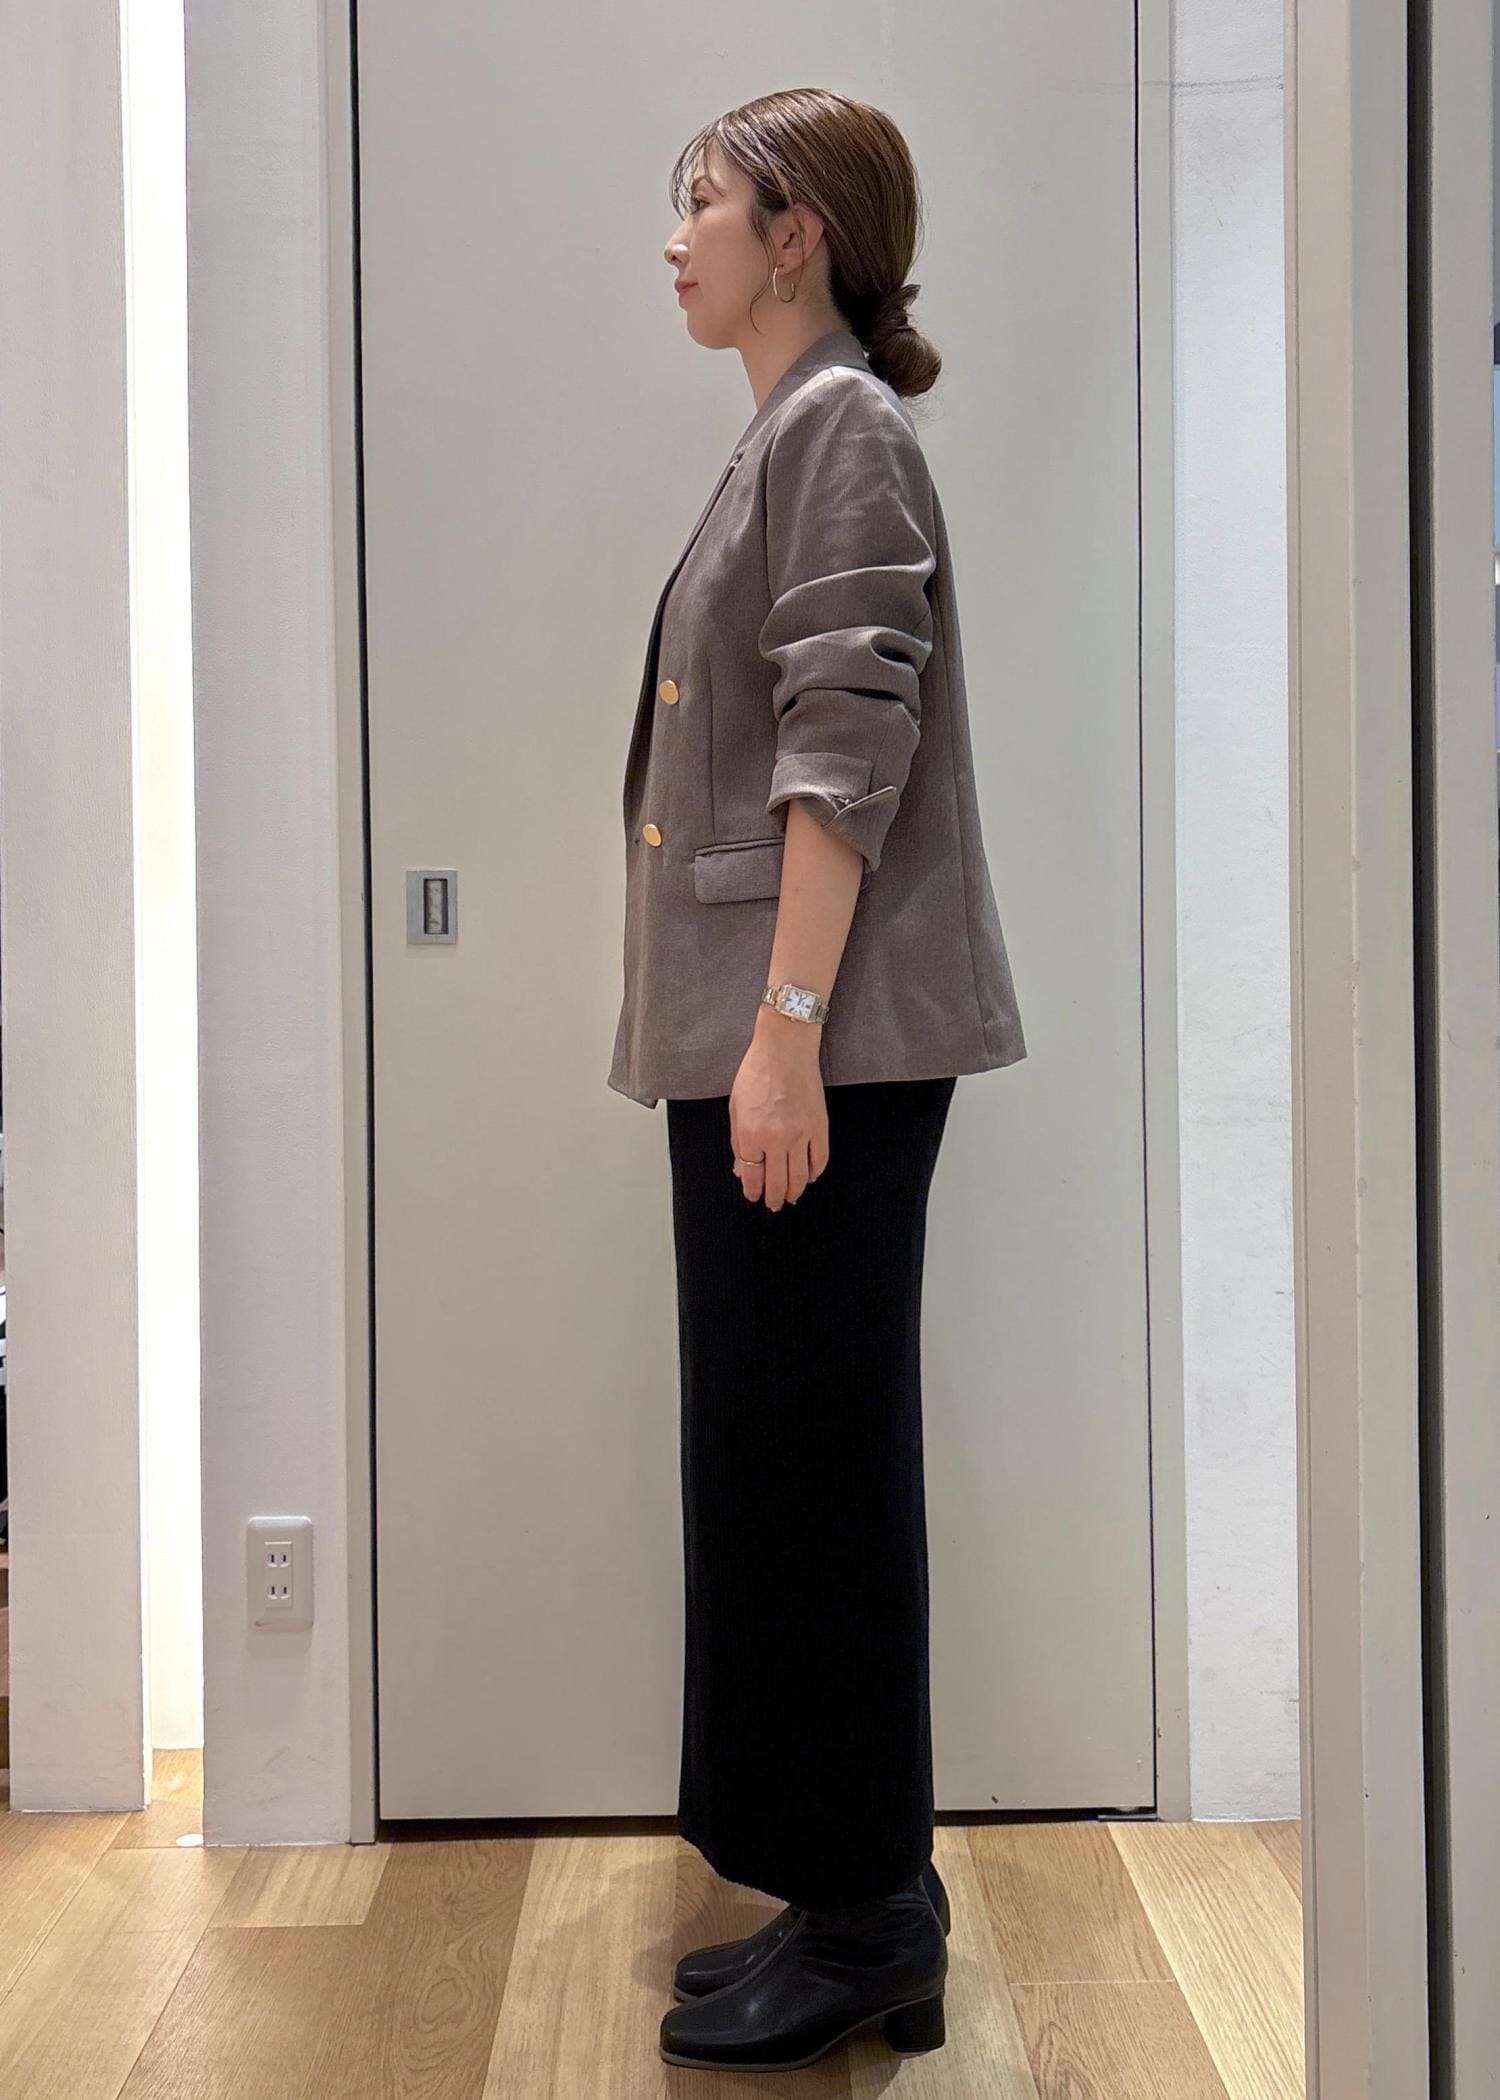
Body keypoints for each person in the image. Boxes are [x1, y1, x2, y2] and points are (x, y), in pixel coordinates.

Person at [615, 88, 1028, 2073]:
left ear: (799, 235)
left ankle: (869, 1918)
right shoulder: (794, 429)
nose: (673, 237)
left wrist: (784, 1033)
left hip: (819, 1049)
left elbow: (847, 737)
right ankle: (847, 1890)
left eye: (701, 201)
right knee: (782, 1461)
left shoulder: (840, 425)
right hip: (785, 1043)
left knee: (816, 1470)